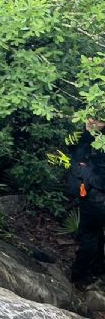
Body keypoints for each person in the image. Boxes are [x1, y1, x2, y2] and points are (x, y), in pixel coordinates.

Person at [68, 118, 105, 287]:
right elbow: (78, 157)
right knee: (93, 235)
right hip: (92, 196)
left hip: (97, 198)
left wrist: (84, 171)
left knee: (91, 235)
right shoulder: (94, 138)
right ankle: (92, 270)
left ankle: (80, 275)